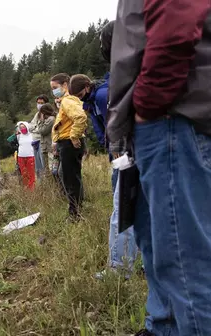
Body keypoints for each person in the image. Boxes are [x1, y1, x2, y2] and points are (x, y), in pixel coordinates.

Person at [108, 1, 211, 335]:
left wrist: (149, 106)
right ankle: (162, 327)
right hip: (164, 121)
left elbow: (177, 21)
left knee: (186, 264)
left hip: (171, 117)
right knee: (161, 252)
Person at [92, 20, 138, 281]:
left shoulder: (126, 77)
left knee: (123, 212)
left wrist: (120, 155)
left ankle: (120, 270)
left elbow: (122, 121)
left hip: (134, 153)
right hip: (137, 152)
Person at [50, 73, 88, 220]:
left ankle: (74, 213)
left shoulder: (68, 101)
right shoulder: (65, 101)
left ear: (65, 85)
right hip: (65, 144)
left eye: (55, 87)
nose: (54, 91)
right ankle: (76, 209)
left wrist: (74, 136)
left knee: (70, 179)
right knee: (70, 177)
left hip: (68, 144)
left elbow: (80, 117)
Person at [32, 102, 56, 175]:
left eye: (42, 113)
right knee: (46, 169)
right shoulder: (48, 119)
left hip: (49, 147)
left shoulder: (51, 119)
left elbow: (42, 131)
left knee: (51, 168)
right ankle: (48, 184)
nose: (42, 115)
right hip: (45, 147)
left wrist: (41, 121)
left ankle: (53, 184)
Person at [29, 95, 49, 178]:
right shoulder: (37, 114)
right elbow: (30, 127)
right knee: (37, 167)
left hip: (43, 143)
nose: (39, 105)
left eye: (42, 103)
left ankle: (48, 184)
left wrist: (35, 128)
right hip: (35, 142)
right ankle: (41, 185)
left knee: (45, 166)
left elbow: (42, 130)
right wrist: (36, 128)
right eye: (38, 103)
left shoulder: (48, 115)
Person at [16, 121, 36, 190]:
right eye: (21, 128)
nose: (22, 129)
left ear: (27, 127)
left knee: (31, 173)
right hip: (21, 156)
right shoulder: (18, 135)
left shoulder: (32, 135)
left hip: (30, 155)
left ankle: (32, 189)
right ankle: (26, 188)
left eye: (24, 127)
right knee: (24, 174)